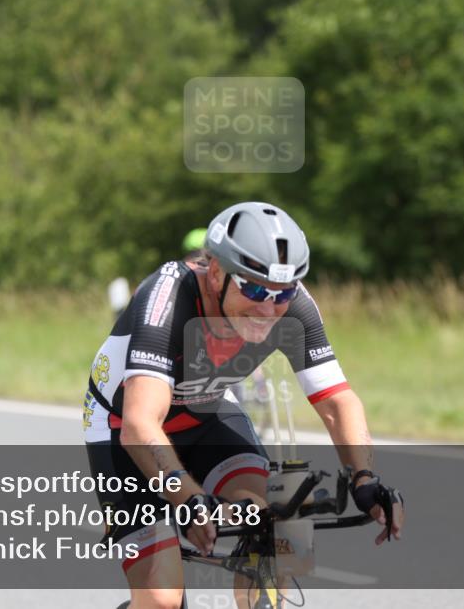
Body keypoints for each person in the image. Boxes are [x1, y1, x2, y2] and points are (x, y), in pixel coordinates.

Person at [83, 201, 405, 609]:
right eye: (253, 288)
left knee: (267, 528)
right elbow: (140, 424)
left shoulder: (296, 308)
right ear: (216, 272)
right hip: (122, 428)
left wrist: (364, 478)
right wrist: (188, 499)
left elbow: (337, 401)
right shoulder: (168, 296)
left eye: (282, 293)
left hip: (209, 411)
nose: (268, 308)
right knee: (163, 598)